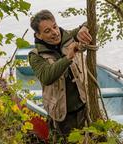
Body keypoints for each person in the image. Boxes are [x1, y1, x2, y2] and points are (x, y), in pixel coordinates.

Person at [28, 9, 92, 141]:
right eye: (47, 31)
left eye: (55, 26)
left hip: (84, 107)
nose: (55, 33)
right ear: (38, 35)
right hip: (61, 115)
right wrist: (67, 58)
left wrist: (84, 28)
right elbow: (47, 76)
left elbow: (93, 22)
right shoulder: (35, 56)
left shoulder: (68, 36)